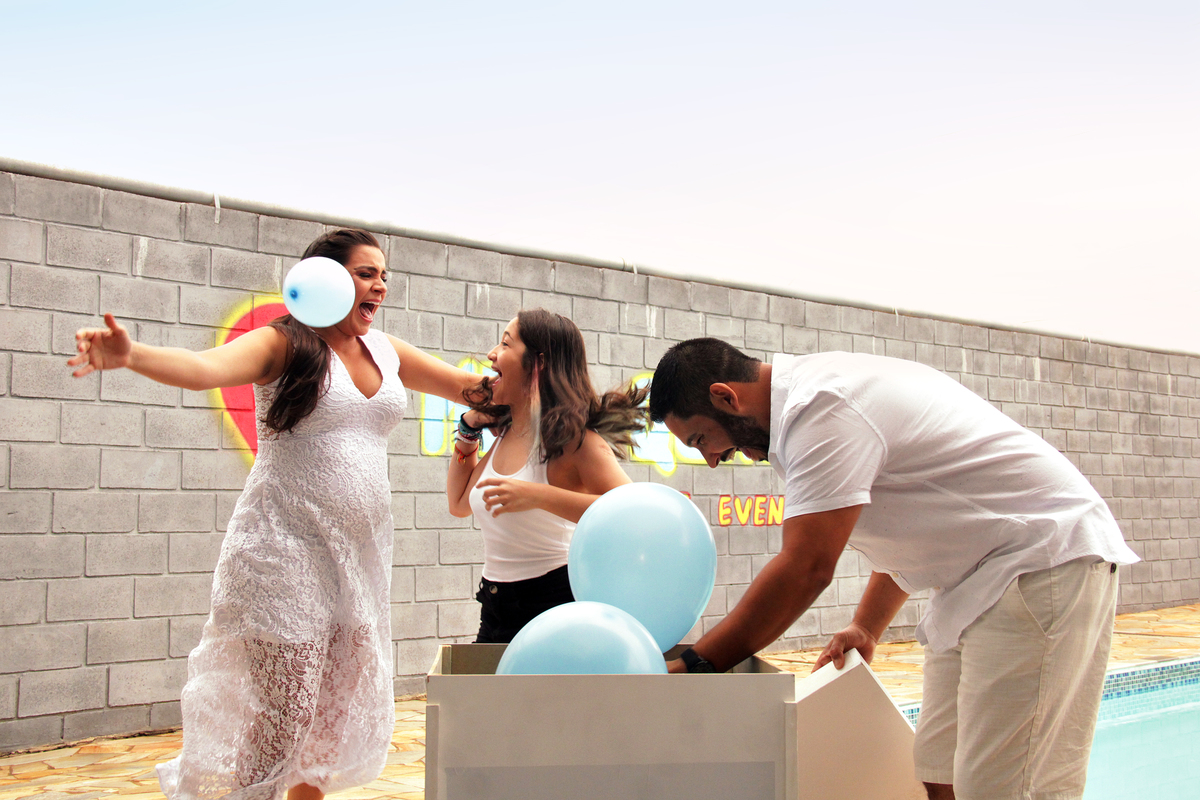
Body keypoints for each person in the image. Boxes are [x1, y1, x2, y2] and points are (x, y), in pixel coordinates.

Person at [68, 229, 485, 800]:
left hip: (357, 562)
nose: (381, 286)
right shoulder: (284, 345)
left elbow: (469, 389)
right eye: (367, 274)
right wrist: (131, 355)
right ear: (326, 279)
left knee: (329, 721)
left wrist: (537, 373)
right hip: (281, 552)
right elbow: (203, 367)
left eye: (384, 275)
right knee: (284, 716)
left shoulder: (386, 351)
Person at [648, 338, 1138, 800]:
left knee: (1002, 786)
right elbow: (920, 523)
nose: (710, 460)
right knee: (937, 769)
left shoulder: (822, 407)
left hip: (1042, 560)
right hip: (980, 578)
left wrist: (698, 663)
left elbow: (806, 568)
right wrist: (867, 625)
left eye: (699, 439)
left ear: (725, 397)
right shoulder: (813, 404)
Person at [446, 309, 649, 643]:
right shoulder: (506, 434)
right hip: (495, 606)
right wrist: (467, 430)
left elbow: (629, 513)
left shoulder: (576, 442)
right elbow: (457, 503)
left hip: (553, 602)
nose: (491, 354)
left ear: (537, 363)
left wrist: (536, 496)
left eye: (505, 344)